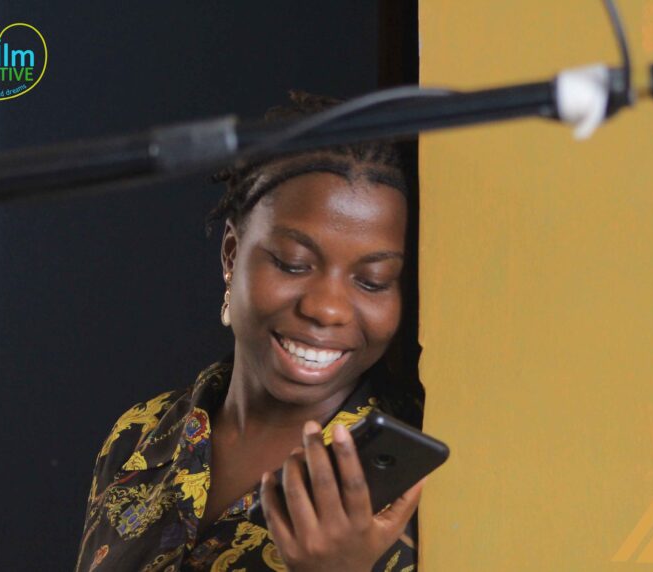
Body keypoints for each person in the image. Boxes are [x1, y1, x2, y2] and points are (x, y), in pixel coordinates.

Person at [75, 91, 425, 572]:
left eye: (372, 281)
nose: (326, 309)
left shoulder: (416, 482)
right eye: (293, 263)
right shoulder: (140, 434)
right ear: (232, 255)